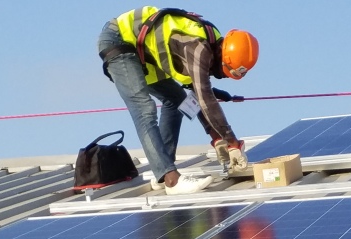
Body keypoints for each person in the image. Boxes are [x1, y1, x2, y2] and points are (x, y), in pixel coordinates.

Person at [97, 6, 259, 195]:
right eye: (222, 72)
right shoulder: (198, 47)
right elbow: (204, 96)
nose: (217, 75)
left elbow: (197, 95)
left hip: (142, 51)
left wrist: (217, 138)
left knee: (178, 101)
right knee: (144, 109)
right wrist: (232, 142)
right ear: (223, 58)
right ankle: (171, 179)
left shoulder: (211, 41)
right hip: (118, 40)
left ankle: (164, 168)